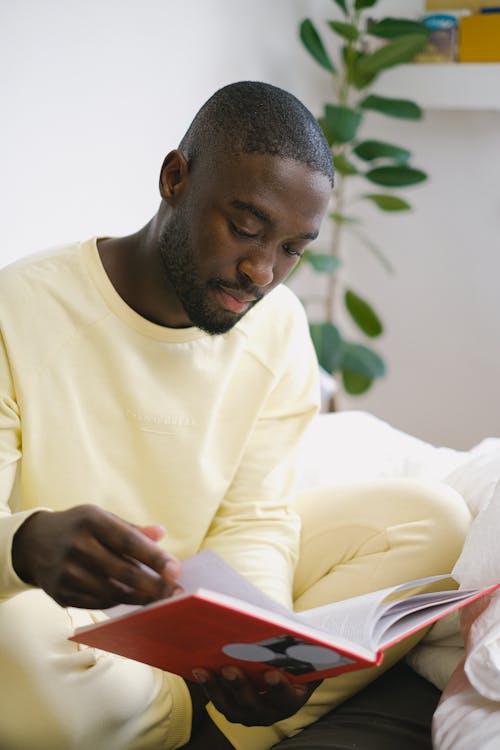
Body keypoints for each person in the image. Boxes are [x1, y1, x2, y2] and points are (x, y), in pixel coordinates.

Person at [0, 81, 470, 750]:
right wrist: (25, 543)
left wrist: (253, 638)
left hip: (191, 603)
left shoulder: (277, 327)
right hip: (52, 609)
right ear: (174, 179)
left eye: (291, 250)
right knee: (16, 656)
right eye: (246, 228)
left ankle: (195, 708)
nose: (260, 270)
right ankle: (199, 718)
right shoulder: (19, 307)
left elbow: (256, 518)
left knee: (433, 520)